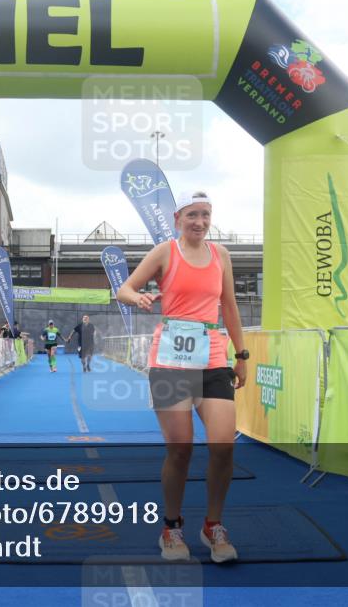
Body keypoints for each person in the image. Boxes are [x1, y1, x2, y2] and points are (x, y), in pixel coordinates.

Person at [117, 190, 248, 564]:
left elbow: (230, 306)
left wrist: (242, 355)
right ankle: (171, 528)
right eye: (193, 215)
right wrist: (137, 298)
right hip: (172, 359)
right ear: (179, 218)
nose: (200, 222)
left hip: (213, 359)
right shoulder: (165, 252)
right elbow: (125, 288)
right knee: (181, 448)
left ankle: (213, 525)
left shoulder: (221, 255)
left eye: (206, 215)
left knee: (224, 446)